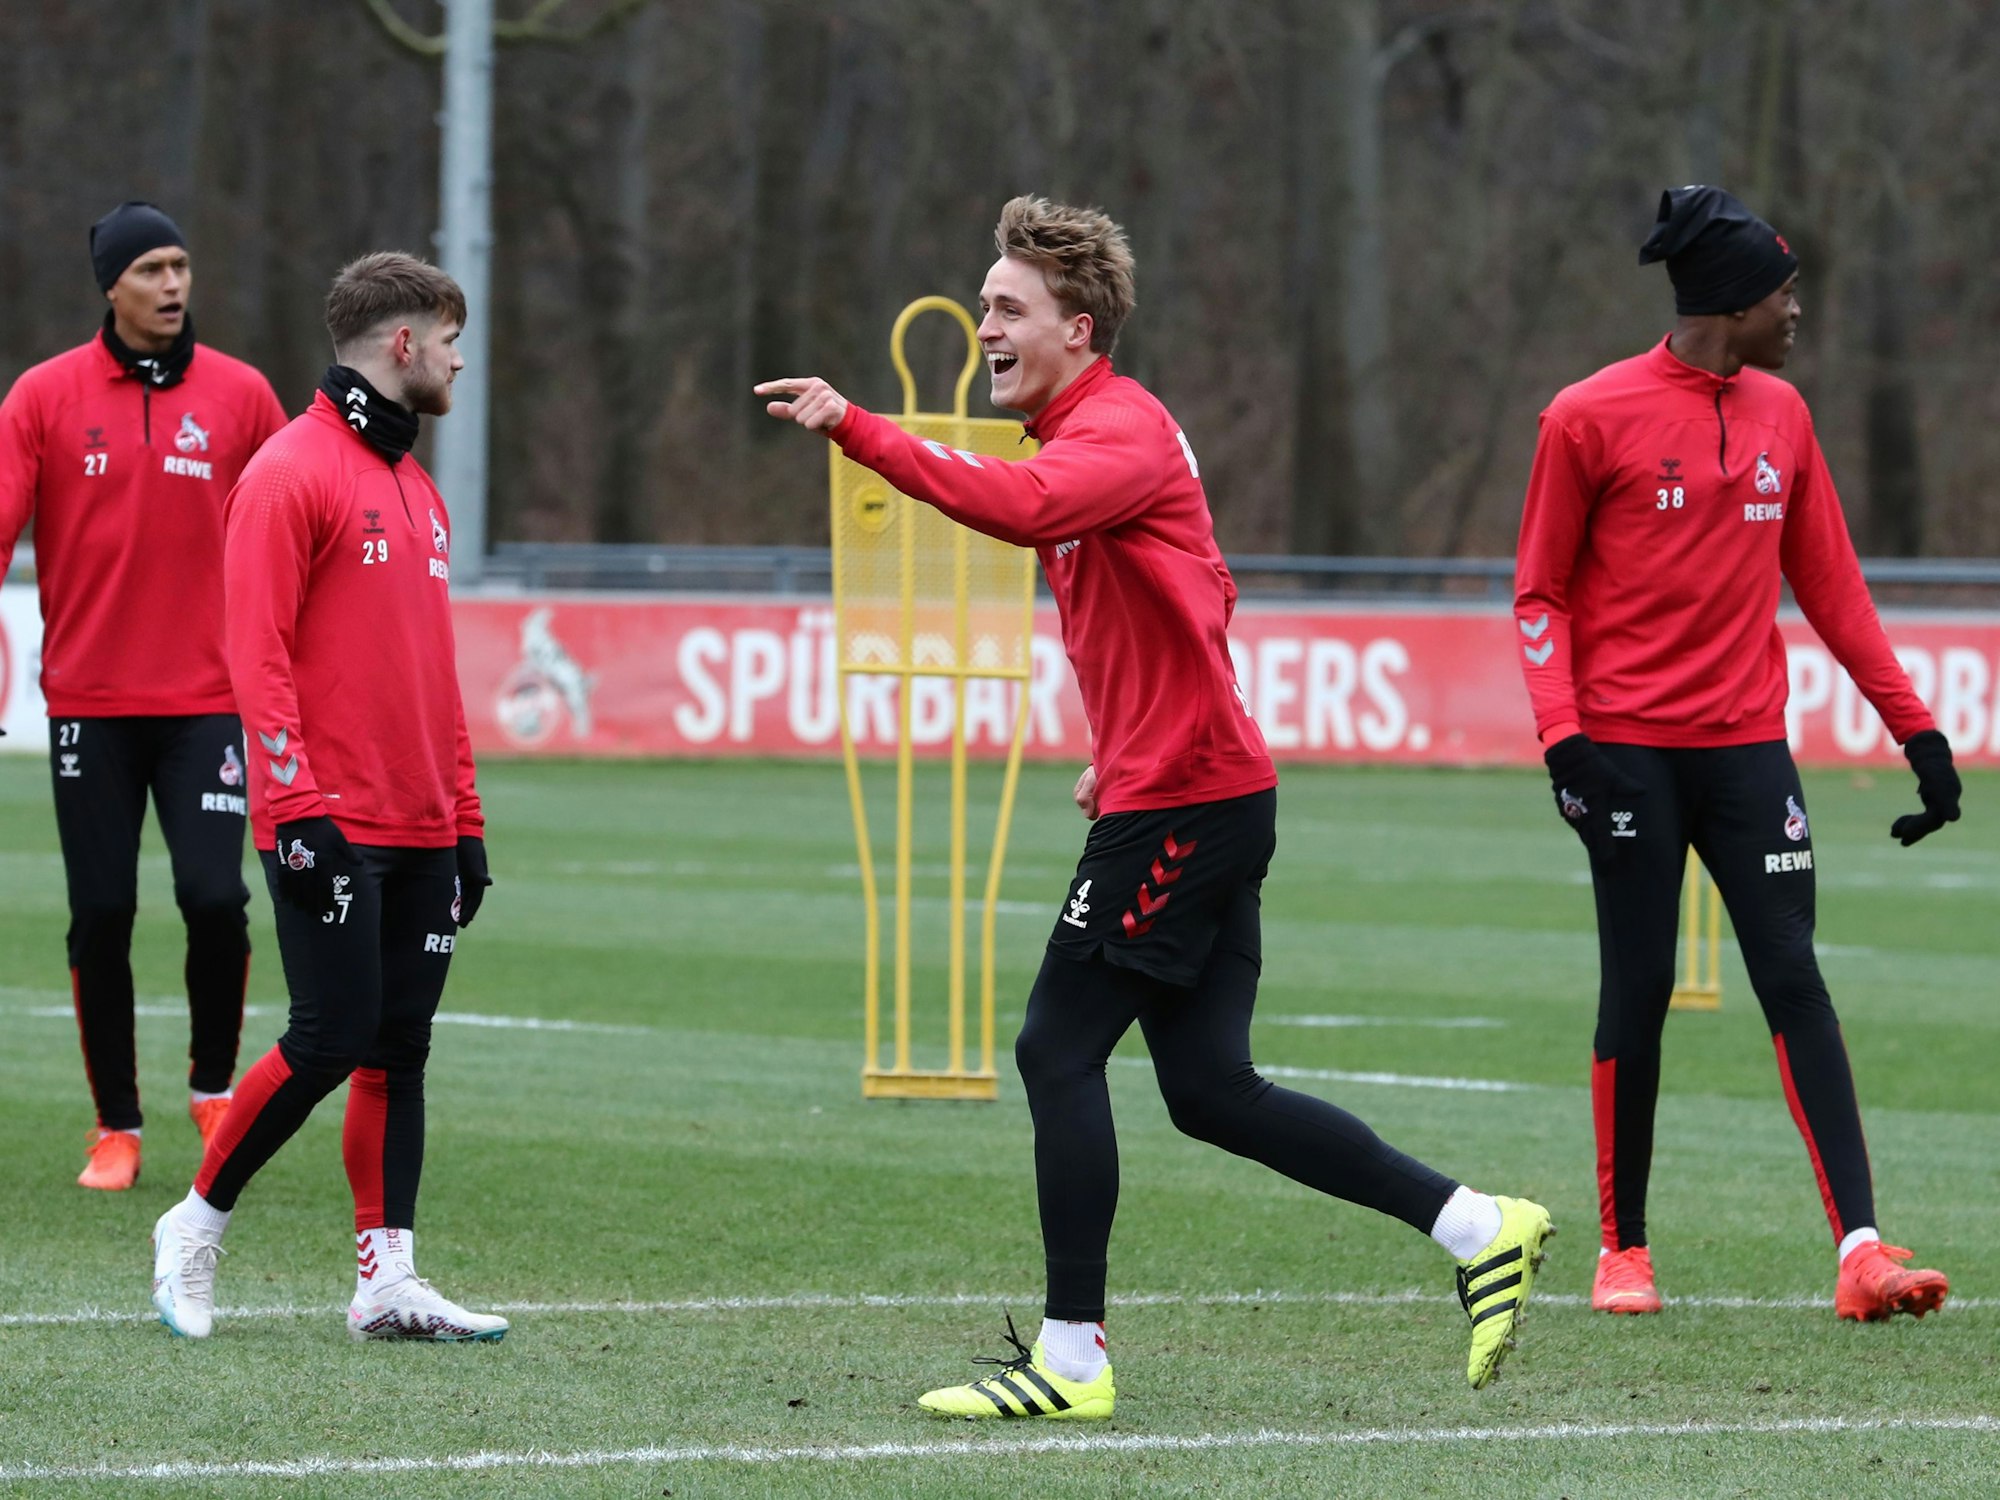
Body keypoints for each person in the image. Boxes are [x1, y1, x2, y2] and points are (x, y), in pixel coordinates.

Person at [758, 196, 1553, 1418]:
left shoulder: (1111, 434)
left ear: (1078, 328)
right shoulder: (1090, 437)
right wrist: (1124, 740)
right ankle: (1476, 1225)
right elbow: (1208, 587)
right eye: (981, 308)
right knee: (1209, 1092)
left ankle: (1071, 1358)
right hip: (1193, 784)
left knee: (1053, 1047)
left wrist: (856, 428)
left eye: (1007, 310)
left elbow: (1015, 512)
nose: (984, 328)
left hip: (1183, 801)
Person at [1513, 186, 1957, 1323]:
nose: (1794, 311)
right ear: (1728, 302)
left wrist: (1913, 729)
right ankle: (1624, 1251)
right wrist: (1563, 741)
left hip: (1749, 754)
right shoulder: (1583, 416)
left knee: (1792, 978)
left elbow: (1832, 588)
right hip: (1621, 756)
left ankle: (1860, 1249)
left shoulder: (1783, 415)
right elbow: (1537, 595)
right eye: (1781, 292)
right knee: (1641, 986)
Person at [149, 252, 504, 1343]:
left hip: (421, 824)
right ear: (404, 345)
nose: (457, 359)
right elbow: (251, 659)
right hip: (328, 819)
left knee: (400, 1048)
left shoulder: (418, 486)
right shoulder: (288, 470)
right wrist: (294, 811)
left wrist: (467, 821)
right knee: (327, 1036)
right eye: (448, 339)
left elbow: (431, 675)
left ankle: (385, 1279)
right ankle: (194, 1225)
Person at [0, 201, 287, 1190]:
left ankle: (213, 1091)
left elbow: (297, 525)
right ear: (110, 286)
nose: (173, 285)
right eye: (152, 269)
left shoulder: (244, 397)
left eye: (181, 266)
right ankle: (114, 1127)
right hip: (88, 702)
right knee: (102, 912)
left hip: (209, 699)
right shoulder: (42, 397)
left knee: (214, 898)